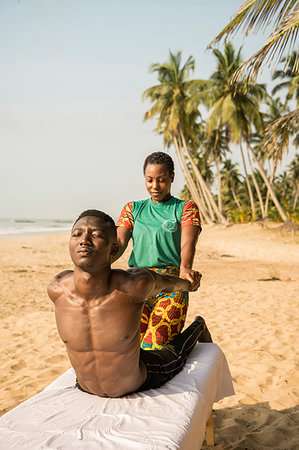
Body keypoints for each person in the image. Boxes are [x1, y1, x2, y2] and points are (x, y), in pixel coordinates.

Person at [47, 210, 212, 398]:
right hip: (84, 386)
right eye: (77, 234)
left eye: (96, 235)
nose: (84, 240)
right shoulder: (57, 290)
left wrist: (189, 284)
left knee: (174, 353)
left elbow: (169, 284)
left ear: (114, 249)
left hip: (141, 378)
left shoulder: (133, 285)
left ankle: (199, 326)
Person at [114, 151, 202, 350]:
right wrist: (98, 261)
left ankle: (198, 328)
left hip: (171, 286)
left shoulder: (185, 208)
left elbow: (188, 242)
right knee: (127, 347)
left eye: (161, 180)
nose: (155, 186)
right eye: (149, 180)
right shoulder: (132, 209)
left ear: (171, 177)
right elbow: (118, 242)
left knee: (153, 348)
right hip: (137, 284)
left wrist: (186, 268)